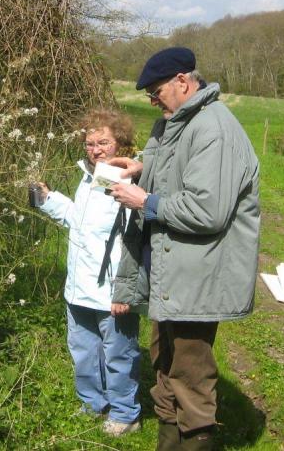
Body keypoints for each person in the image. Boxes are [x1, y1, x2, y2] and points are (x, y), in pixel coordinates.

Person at [108, 47, 261, 450]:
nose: (153, 101)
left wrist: (146, 201)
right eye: (149, 96)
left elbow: (207, 210)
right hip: (170, 273)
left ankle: (196, 442)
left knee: (190, 375)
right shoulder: (173, 122)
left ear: (183, 81)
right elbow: (178, 173)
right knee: (165, 367)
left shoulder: (214, 127)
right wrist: (141, 168)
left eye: (157, 92)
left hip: (199, 275)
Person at [33, 109, 142, 437]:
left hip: (111, 292)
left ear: (120, 144)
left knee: (119, 356)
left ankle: (125, 414)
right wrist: (46, 198)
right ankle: (92, 403)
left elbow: (133, 240)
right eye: (90, 143)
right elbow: (80, 221)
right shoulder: (89, 176)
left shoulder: (129, 181)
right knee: (83, 352)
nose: (95, 150)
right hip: (79, 288)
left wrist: (124, 291)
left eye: (103, 142)